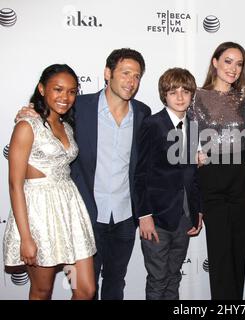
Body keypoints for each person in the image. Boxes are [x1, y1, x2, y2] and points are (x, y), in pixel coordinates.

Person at [16, 48, 151, 300]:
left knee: (115, 281)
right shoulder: (80, 106)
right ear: (107, 73)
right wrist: (29, 111)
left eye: (137, 76)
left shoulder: (143, 113)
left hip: (124, 217)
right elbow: (48, 118)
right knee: (81, 288)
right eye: (125, 73)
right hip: (82, 217)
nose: (131, 81)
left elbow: (146, 166)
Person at [3, 64, 96, 300]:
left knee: (85, 290)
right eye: (58, 89)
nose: (65, 97)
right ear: (42, 89)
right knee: (42, 291)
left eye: (72, 91)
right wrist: (26, 238)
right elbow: (15, 185)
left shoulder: (66, 125)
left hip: (69, 213)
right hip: (39, 216)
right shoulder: (27, 126)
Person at [190, 41, 245, 299]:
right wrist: (193, 153)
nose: (234, 69)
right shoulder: (197, 96)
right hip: (212, 179)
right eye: (228, 61)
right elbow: (188, 134)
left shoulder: (244, 99)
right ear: (215, 62)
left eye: (239, 64)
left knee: (239, 251)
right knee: (220, 253)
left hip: (242, 178)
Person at [133, 67, 203, 300]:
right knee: (158, 279)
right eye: (173, 92)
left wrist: (198, 210)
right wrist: (144, 215)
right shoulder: (152, 124)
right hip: (157, 218)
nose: (180, 97)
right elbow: (139, 173)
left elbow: (193, 175)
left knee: (174, 276)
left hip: (184, 217)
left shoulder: (193, 126)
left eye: (185, 91)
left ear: (192, 94)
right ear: (164, 95)